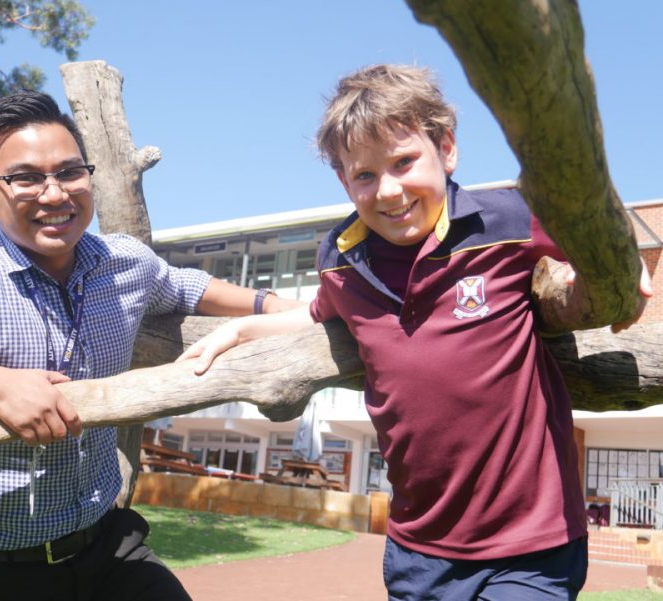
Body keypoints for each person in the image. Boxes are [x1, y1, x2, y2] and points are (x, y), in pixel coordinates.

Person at [178, 64, 652, 600]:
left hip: (532, 541)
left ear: (446, 148)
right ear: (344, 181)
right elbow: (317, 312)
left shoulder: (508, 220)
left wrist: (624, 264)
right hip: (420, 548)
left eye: (404, 162)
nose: (388, 190)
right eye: (364, 175)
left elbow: (596, 236)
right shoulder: (341, 257)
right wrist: (241, 331)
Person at [0, 90, 299, 601]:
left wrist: (288, 310)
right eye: (25, 178)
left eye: (70, 172)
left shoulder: (125, 264)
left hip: (108, 547)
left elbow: (188, 286)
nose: (54, 194)